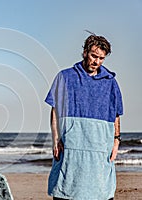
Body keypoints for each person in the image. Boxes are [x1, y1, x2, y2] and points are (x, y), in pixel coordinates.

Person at [45, 33, 123, 200]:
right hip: (71, 147)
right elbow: (55, 110)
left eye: (101, 58)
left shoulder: (110, 82)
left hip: (100, 148)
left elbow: (116, 113)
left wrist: (116, 141)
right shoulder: (65, 77)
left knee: (101, 192)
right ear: (85, 52)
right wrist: (55, 140)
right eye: (94, 56)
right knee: (65, 189)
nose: (96, 61)